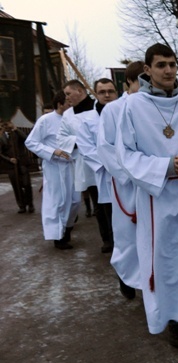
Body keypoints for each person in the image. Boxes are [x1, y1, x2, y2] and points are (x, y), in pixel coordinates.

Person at [116, 43, 178, 347]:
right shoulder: (133, 107)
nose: (169, 70)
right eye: (161, 65)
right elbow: (127, 155)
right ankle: (174, 319)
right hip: (157, 198)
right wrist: (167, 167)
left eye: (172, 64)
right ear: (147, 70)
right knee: (166, 258)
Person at [96, 61, 145, 300]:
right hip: (129, 184)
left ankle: (149, 279)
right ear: (129, 83)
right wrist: (132, 175)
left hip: (154, 181)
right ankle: (126, 275)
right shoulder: (113, 110)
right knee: (128, 236)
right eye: (140, 83)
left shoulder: (153, 106)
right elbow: (105, 147)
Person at [25, 91, 75, 249]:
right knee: (57, 201)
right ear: (60, 104)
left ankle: (67, 229)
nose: (71, 106)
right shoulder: (46, 120)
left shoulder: (73, 120)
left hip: (72, 165)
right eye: (68, 103)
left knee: (74, 200)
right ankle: (58, 237)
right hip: (55, 167)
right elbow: (31, 142)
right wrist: (53, 151)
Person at [77, 78, 119, 254]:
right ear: (96, 94)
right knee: (108, 212)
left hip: (129, 171)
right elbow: (86, 148)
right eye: (102, 92)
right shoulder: (88, 120)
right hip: (106, 173)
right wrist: (111, 164)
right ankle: (112, 243)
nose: (107, 95)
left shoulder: (126, 113)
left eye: (111, 91)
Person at [55, 79, 95, 248]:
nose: (67, 98)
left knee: (107, 202)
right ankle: (106, 241)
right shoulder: (68, 114)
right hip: (83, 163)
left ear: (79, 90)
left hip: (103, 160)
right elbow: (61, 138)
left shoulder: (97, 107)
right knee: (93, 199)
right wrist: (81, 140)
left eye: (68, 94)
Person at [0, 120, 34, 213]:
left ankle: (30, 204)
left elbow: (26, 139)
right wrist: (9, 159)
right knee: (16, 186)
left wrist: (15, 129)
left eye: (7, 123)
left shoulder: (16, 133)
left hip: (22, 163)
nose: (6, 126)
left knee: (26, 184)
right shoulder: (1, 136)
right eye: (3, 124)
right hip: (11, 166)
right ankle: (21, 206)